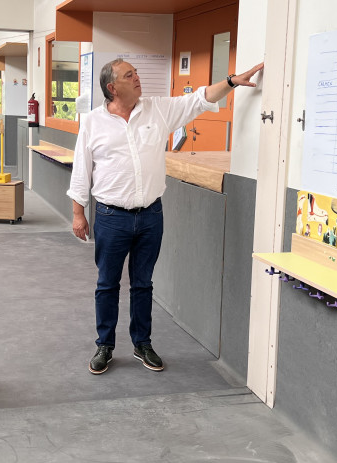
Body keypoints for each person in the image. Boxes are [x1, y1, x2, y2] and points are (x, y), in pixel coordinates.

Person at [68, 58, 264, 374]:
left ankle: (141, 343)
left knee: (143, 283)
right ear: (111, 87)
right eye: (129, 75)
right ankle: (104, 345)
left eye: (136, 72)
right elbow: (82, 169)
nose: (137, 78)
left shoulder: (157, 109)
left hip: (150, 216)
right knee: (107, 284)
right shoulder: (93, 122)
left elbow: (198, 99)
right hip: (110, 216)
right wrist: (78, 213)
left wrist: (229, 82)